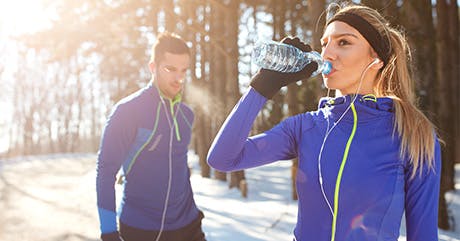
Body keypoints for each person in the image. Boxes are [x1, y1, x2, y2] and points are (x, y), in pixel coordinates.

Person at [207, 3, 441, 241]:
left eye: (343, 42)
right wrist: (263, 86)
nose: (327, 53)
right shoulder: (305, 127)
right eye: (325, 43)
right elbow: (222, 158)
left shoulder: (412, 133)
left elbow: (423, 235)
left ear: (376, 59)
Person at [96, 32, 206, 241]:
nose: (179, 78)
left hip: (188, 225)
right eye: (170, 69)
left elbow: (178, 167)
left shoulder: (186, 115)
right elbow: (105, 171)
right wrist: (108, 232)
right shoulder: (128, 112)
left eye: (184, 70)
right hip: (142, 229)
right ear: (153, 67)